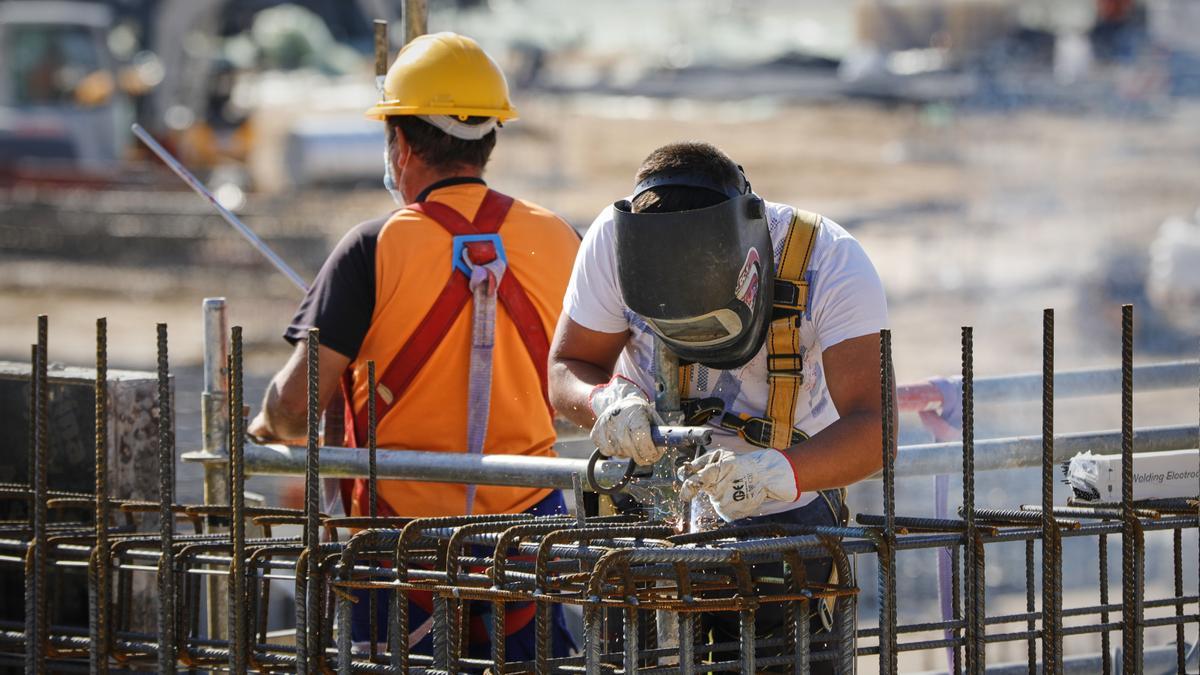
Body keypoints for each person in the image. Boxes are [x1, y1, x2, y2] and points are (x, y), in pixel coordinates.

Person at [248, 31, 579, 663]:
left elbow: (295, 407)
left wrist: (267, 426)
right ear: (490, 138)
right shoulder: (558, 239)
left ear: (400, 143)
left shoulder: (372, 248)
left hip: (401, 552)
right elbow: (585, 388)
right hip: (529, 543)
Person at [548, 141, 892, 670]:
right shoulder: (614, 243)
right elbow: (568, 365)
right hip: (649, 514)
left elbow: (876, 431)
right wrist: (606, 402)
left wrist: (772, 473)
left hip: (783, 525)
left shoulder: (828, 260)